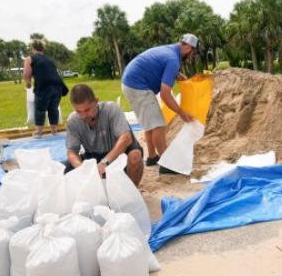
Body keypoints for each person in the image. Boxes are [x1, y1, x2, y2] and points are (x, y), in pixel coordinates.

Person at [121, 34, 197, 174]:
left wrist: (175, 74)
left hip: (130, 82)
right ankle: (166, 163)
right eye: (193, 52)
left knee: (150, 123)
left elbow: (158, 65)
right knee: (158, 124)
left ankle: (152, 157)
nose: (191, 55)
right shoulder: (173, 59)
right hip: (138, 86)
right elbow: (165, 94)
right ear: (189, 48)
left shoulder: (170, 51)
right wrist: (181, 113)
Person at [65, 84, 144, 187]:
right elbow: (71, 152)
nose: (84, 115)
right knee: (63, 167)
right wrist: (81, 168)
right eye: (79, 111)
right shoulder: (73, 121)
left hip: (118, 154)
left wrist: (105, 162)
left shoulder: (111, 109)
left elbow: (126, 138)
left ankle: (133, 190)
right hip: (93, 155)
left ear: (96, 101)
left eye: (87, 110)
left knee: (135, 155)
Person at [23, 39, 68, 138]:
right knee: (53, 108)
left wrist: (28, 84)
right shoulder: (49, 59)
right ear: (43, 49)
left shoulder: (29, 59)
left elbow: (26, 74)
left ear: (33, 48)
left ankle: (38, 133)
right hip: (58, 86)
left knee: (40, 108)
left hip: (44, 86)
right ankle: (54, 131)